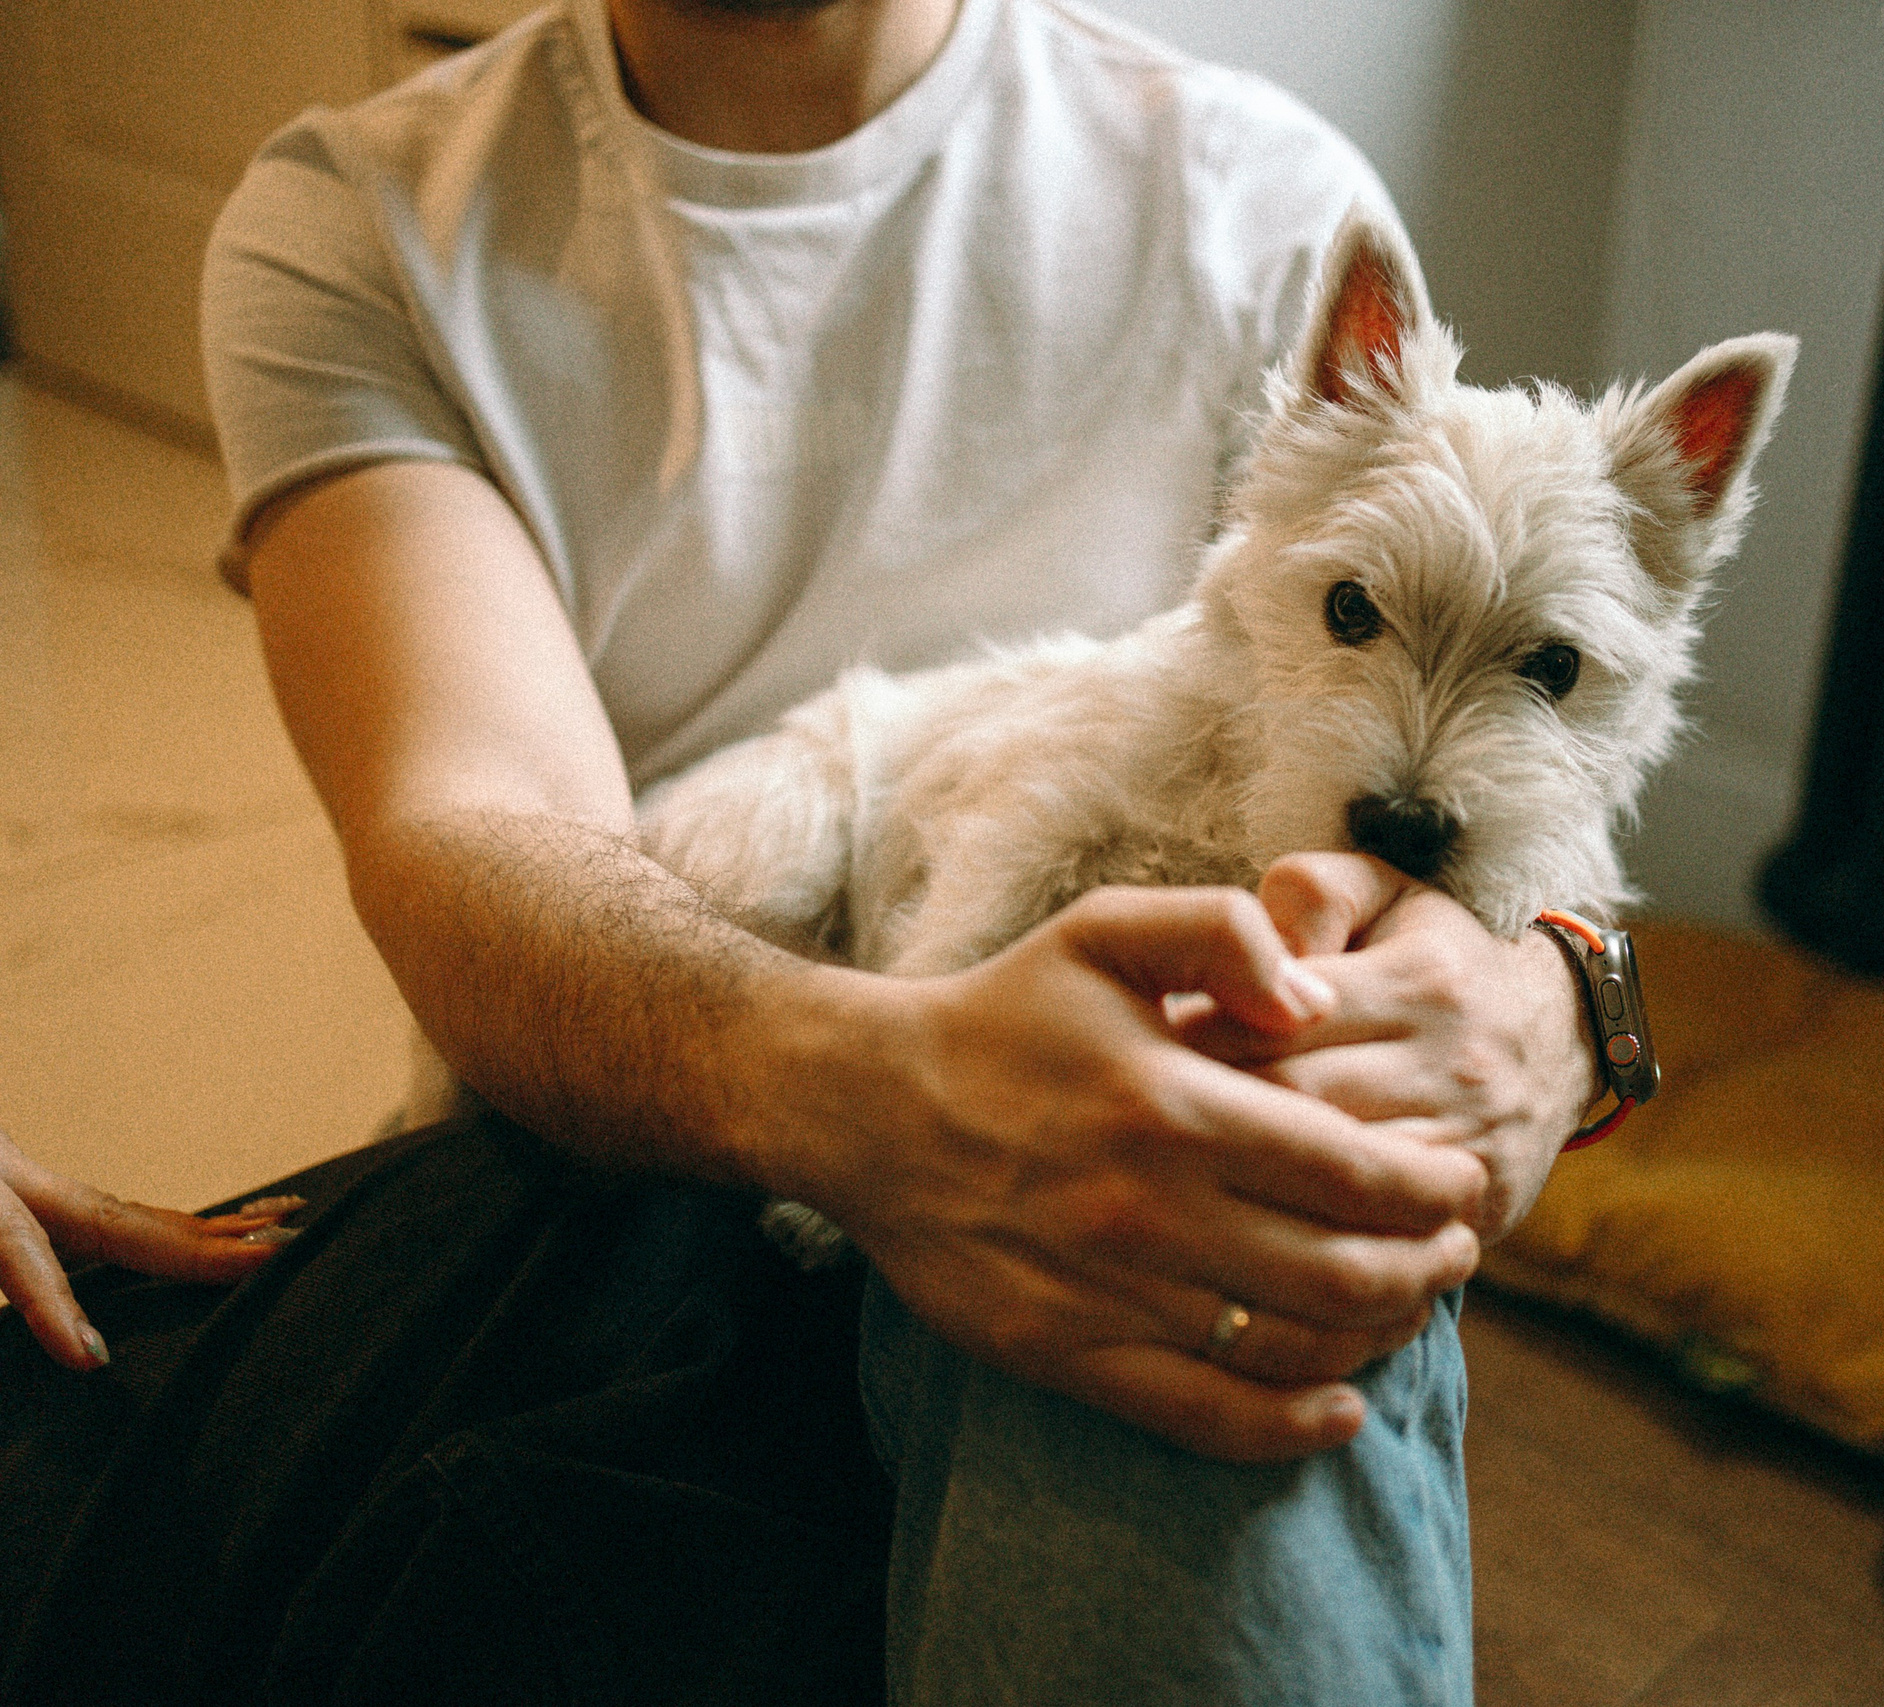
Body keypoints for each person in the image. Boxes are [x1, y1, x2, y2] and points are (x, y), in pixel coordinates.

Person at [0, 0, 1597, 1700]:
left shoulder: (1267, 210)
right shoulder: (359, 224)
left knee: (1197, 1262)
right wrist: (906, 1102)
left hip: (1139, 1123)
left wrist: (1573, 1003)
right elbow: (473, 828)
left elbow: (1457, 780)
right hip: (640, 1133)